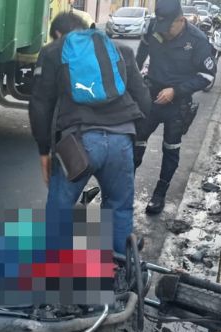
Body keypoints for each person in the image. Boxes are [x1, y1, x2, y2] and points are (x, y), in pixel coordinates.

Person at [29, 12, 151, 254]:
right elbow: (144, 100)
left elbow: (40, 105)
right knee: (118, 208)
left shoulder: (54, 51)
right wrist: (138, 141)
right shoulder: (120, 50)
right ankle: (119, 275)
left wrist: (44, 151)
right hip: (121, 140)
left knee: (60, 209)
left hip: (79, 144)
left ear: (58, 35)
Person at [134, 0, 217, 215]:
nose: (165, 33)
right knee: (136, 141)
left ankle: (159, 193)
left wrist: (176, 90)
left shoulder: (197, 40)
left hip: (177, 103)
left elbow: (207, 76)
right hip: (150, 97)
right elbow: (140, 55)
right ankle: (125, 188)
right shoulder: (154, 27)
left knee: (170, 149)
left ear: (181, 20)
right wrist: (134, 81)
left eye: (168, 28)